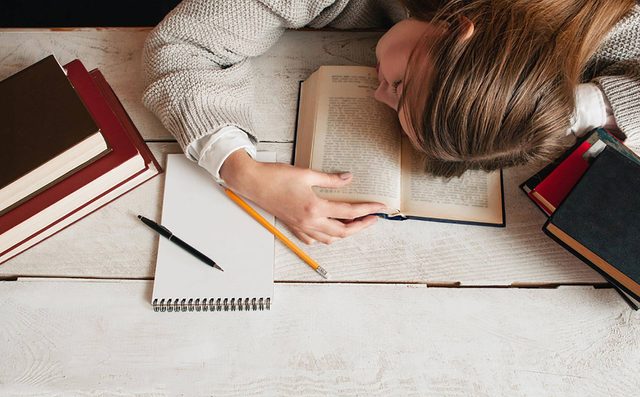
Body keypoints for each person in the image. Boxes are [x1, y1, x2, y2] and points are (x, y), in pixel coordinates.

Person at [142, 0, 640, 244]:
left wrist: (552, 105)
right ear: (458, 33)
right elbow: (186, 39)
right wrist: (243, 172)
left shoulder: (613, 23)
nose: (377, 90)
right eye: (399, 87)